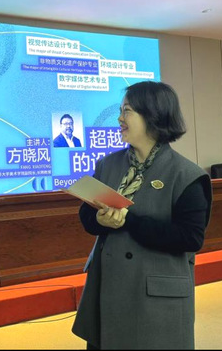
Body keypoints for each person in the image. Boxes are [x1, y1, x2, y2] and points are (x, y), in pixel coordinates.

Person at [71, 81, 212, 349]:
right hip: (109, 290)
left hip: (155, 298)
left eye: (127, 111)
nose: (120, 119)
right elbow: (87, 216)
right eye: (120, 111)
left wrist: (129, 221)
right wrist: (100, 220)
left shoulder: (186, 175)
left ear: (152, 115)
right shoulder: (108, 165)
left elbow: (190, 238)